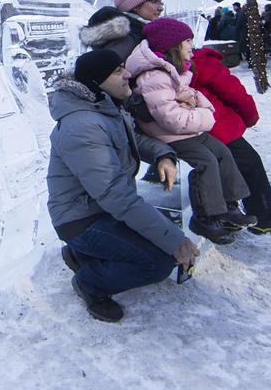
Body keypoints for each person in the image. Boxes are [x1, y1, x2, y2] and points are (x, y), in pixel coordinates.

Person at [47, 49, 199, 322]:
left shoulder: (103, 107)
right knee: (158, 262)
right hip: (81, 219)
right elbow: (115, 195)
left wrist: (163, 154)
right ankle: (89, 282)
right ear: (96, 81)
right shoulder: (82, 125)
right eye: (118, 71)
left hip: (102, 209)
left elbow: (131, 140)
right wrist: (176, 241)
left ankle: (81, 254)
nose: (128, 74)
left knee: (157, 240)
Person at [124, 17, 256, 245]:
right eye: (187, 41)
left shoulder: (172, 69)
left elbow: (189, 94)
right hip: (166, 133)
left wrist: (195, 103)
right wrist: (203, 115)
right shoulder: (154, 76)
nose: (192, 47)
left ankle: (230, 204)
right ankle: (205, 217)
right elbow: (170, 118)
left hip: (187, 128)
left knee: (222, 152)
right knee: (206, 161)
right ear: (173, 46)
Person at [191, 46, 271, 234]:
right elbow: (235, 93)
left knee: (223, 166)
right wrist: (250, 117)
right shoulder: (203, 62)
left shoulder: (172, 62)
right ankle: (263, 215)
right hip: (217, 125)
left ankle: (228, 212)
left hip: (196, 126)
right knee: (248, 163)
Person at [80, 0, 164, 60]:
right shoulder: (129, 35)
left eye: (161, 3)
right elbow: (110, 67)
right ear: (135, 6)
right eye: (155, 2)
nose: (161, 8)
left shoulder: (136, 31)